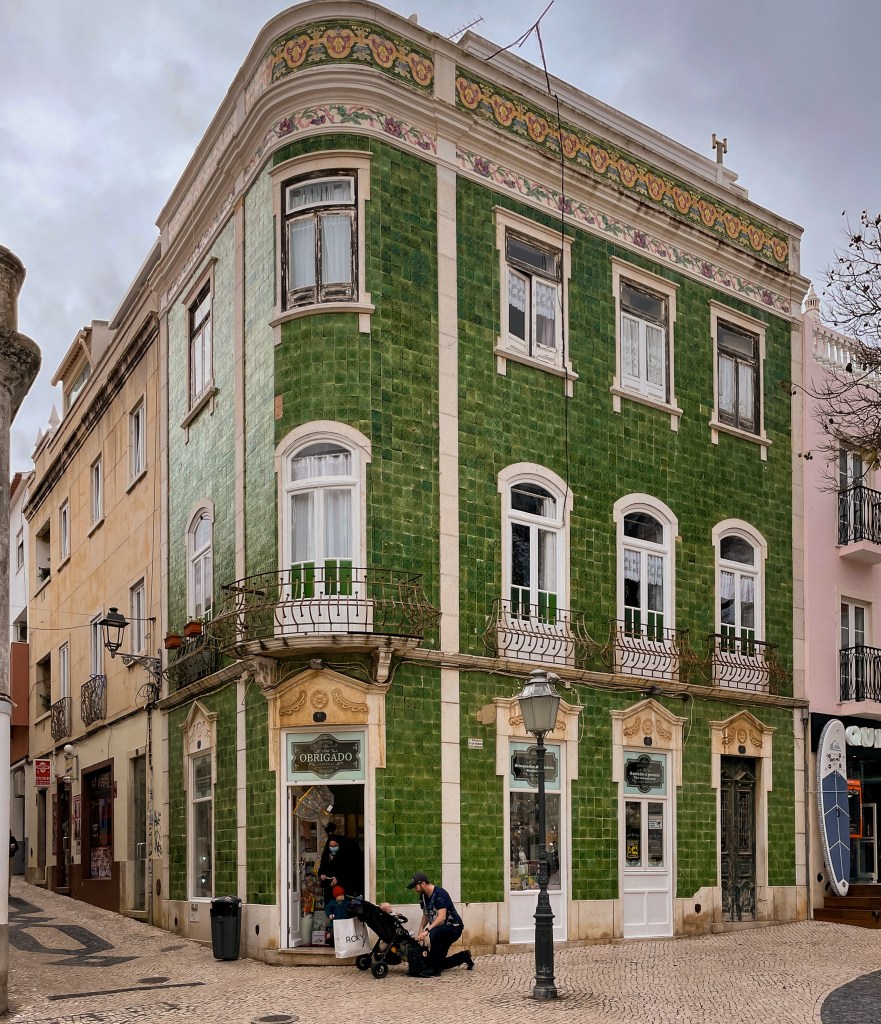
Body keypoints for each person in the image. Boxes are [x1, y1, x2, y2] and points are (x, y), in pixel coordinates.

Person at [407, 871, 474, 977]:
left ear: (423, 884)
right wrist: (421, 931)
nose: (415, 889)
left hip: (453, 927)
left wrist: (427, 930)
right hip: (440, 930)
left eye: (416, 886)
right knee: (437, 962)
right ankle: (464, 956)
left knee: (434, 933)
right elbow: (425, 916)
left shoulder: (439, 894)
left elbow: (441, 916)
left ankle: (435, 971)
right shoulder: (423, 897)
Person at [317, 825, 361, 908]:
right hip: (329, 889)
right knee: (331, 910)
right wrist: (322, 875)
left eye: (335, 846)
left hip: (342, 891)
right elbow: (322, 869)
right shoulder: (326, 856)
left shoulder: (346, 857)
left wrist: (338, 879)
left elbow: (349, 873)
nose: (333, 848)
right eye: (331, 846)